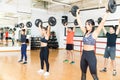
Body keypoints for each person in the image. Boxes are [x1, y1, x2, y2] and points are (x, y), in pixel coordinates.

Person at [76, 9, 109, 80]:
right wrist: (77, 14)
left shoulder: (95, 33)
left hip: (91, 55)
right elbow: (79, 23)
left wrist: (107, 13)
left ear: (92, 25)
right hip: (84, 54)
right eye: (86, 24)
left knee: (94, 74)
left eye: (88, 24)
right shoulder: (85, 32)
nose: (86, 25)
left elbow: (102, 23)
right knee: (83, 73)